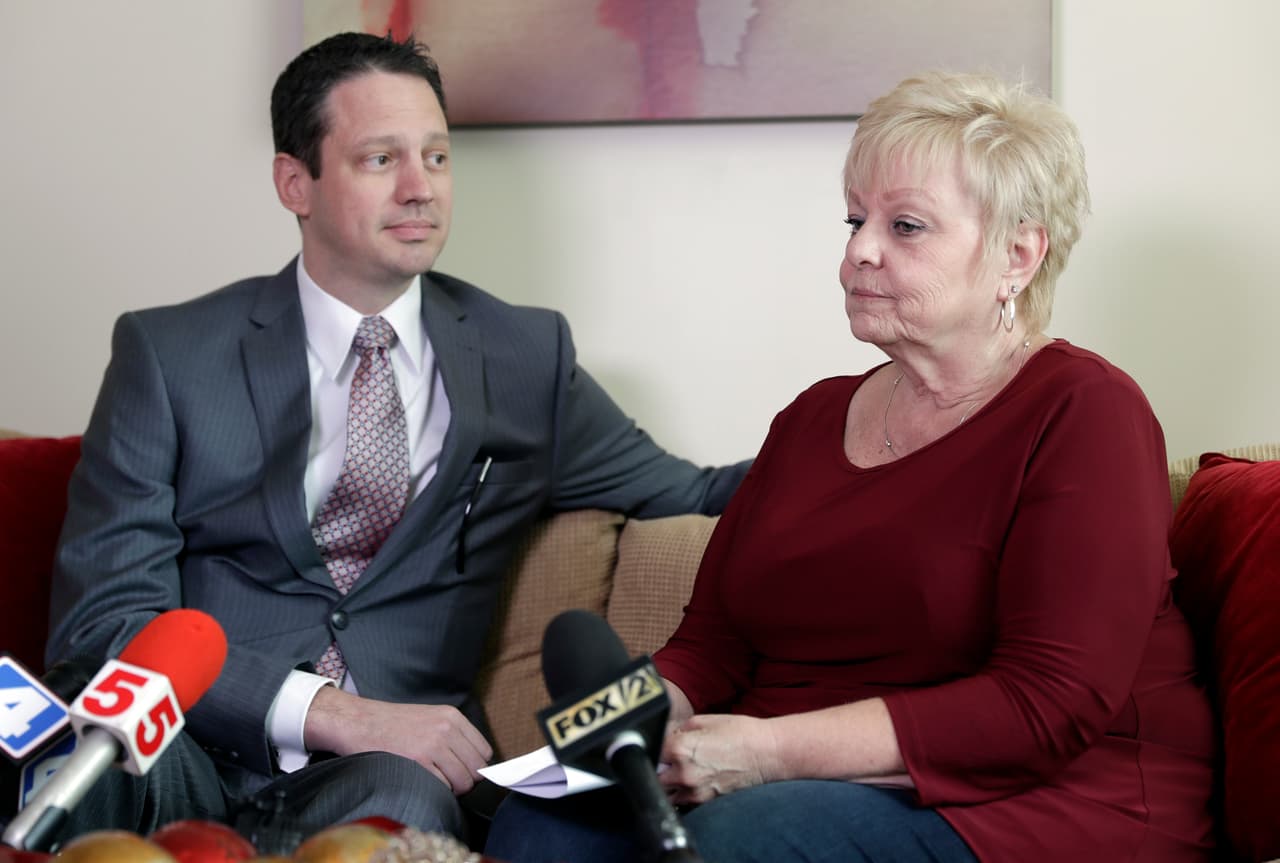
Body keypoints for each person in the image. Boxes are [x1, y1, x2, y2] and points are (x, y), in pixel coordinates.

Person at [485, 71, 1216, 862]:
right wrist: (613, 735)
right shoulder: (810, 419)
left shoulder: (1085, 411)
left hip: (1036, 801)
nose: (859, 250)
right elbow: (713, 645)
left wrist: (764, 753)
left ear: (1018, 253)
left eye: (905, 226)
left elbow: (1046, 704)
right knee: (540, 821)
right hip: (783, 783)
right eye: (855, 218)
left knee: (745, 840)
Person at [44, 32, 748, 850]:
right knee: (91, 754)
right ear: (294, 183)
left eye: (438, 158)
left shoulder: (522, 356)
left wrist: (901, 435)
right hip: (188, 742)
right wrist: (334, 713)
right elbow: (102, 624)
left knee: (405, 807)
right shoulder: (171, 356)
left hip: (385, 775)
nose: (421, 189)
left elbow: (694, 493)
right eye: (382, 160)